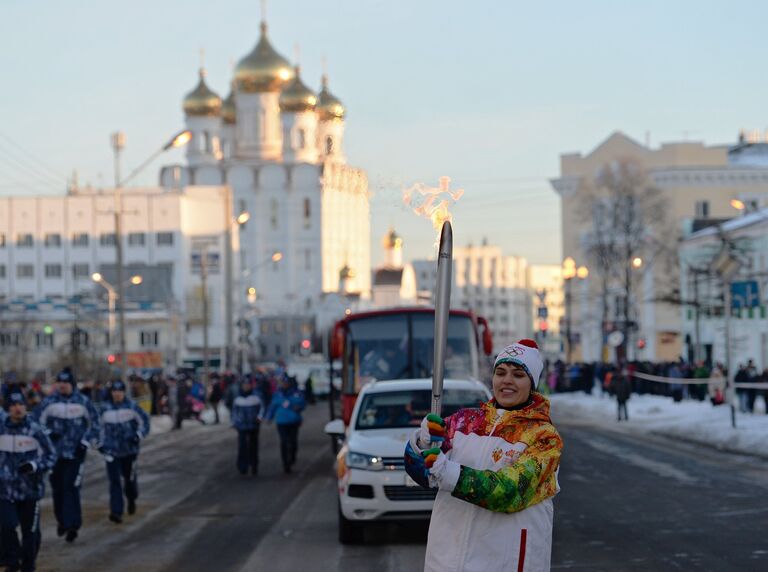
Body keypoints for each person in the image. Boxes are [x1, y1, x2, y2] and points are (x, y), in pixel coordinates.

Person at [404, 339, 563, 572]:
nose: (507, 380)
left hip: (503, 562)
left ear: (532, 383)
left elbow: (510, 492)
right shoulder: (463, 421)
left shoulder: (544, 437)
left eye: (518, 374)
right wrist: (422, 442)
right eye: (501, 372)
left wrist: (448, 472)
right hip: (446, 559)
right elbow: (421, 474)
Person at [32, 368, 100, 543]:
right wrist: (48, 434)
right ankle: (62, 520)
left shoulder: (83, 402)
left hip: (75, 454)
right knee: (58, 489)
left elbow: (95, 424)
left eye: (66, 382)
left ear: (72, 384)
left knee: (71, 487)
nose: (62, 385)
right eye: (60, 382)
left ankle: (73, 525)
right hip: (54, 456)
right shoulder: (48, 403)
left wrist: (84, 443)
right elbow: (35, 424)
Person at [0, 392, 56, 572]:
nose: (17, 408)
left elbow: (51, 455)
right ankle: (12, 560)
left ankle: (28, 564)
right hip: (5, 490)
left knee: (30, 533)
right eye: (13, 405)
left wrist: (34, 466)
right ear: (7, 408)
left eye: (21, 404)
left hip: (30, 490)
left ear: (26, 406)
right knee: (7, 526)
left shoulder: (35, 430)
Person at [98, 380, 151, 524]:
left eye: (119, 391)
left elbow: (145, 422)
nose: (117, 394)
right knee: (114, 481)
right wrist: (100, 444)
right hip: (111, 452)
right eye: (114, 391)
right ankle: (116, 511)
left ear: (123, 392)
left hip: (129, 451)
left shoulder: (132, 407)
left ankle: (131, 498)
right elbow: (98, 428)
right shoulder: (104, 409)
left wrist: (137, 436)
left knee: (129, 480)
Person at [266, 377, 306, 474]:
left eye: (286, 383)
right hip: (281, 421)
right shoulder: (278, 394)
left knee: (293, 441)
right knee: (283, 442)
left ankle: (292, 457)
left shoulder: (296, 393)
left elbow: (303, 404)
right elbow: (272, 406)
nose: (284, 385)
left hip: (293, 421)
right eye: (283, 383)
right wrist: (269, 417)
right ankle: (285, 463)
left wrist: (299, 407)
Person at [230, 378, 264, 476]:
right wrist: (234, 422)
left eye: (248, 385)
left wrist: (259, 417)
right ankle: (242, 466)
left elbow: (262, 408)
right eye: (244, 385)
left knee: (253, 446)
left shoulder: (256, 397)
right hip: (242, 426)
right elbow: (234, 412)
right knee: (242, 446)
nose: (246, 387)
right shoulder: (238, 399)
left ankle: (254, 465)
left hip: (253, 425)